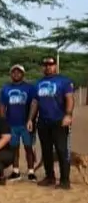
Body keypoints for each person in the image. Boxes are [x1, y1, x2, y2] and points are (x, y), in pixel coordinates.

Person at [27, 56, 75, 189]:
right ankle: (50, 177)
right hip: (43, 122)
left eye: (50, 64)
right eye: (45, 65)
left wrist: (68, 115)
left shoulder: (64, 81)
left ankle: (65, 180)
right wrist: (30, 119)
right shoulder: (38, 83)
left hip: (59, 121)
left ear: (55, 66)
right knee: (46, 150)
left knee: (61, 150)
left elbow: (70, 99)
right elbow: (35, 102)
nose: (48, 67)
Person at [0, 64, 36, 182]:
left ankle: (31, 171)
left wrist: (30, 119)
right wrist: (2, 122)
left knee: (28, 147)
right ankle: (16, 171)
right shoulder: (5, 88)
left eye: (18, 72)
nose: (16, 74)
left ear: (23, 74)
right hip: (11, 124)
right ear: (11, 74)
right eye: (13, 72)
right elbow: (3, 107)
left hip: (25, 124)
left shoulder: (29, 88)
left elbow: (33, 104)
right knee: (14, 148)